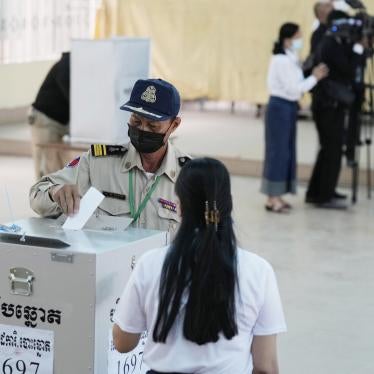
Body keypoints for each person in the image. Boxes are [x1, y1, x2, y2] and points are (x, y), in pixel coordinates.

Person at [113, 157, 287, 374]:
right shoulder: (259, 271)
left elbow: (123, 343)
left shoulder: (151, 264)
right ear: (228, 204)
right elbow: (265, 367)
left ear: (179, 207)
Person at [29, 78, 191, 237]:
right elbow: (37, 195)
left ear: (174, 125)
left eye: (152, 126)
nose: (142, 129)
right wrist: (54, 191)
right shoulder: (98, 162)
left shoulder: (189, 175)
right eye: (136, 120)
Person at [261, 23, 328, 213]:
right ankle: (271, 198)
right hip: (279, 107)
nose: (300, 40)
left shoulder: (291, 57)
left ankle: (278, 195)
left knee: (286, 153)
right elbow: (293, 88)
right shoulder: (280, 59)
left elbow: (296, 84)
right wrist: (315, 77)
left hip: (289, 107)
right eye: (298, 36)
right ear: (287, 38)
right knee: (277, 153)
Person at [305, 10, 366, 209]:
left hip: (331, 106)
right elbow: (348, 70)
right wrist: (358, 49)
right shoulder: (330, 44)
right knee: (331, 151)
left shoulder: (336, 41)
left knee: (327, 151)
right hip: (328, 106)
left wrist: (361, 47)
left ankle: (318, 192)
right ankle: (323, 196)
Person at [28, 52, 70, 179]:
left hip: (57, 122)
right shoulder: (66, 64)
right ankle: (44, 198)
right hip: (45, 121)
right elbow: (71, 93)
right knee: (46, 171)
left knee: (56, 169)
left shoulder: (73, 63)